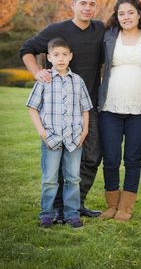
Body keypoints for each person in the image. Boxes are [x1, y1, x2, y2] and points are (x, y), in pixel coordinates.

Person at [20, 0, 104, 219]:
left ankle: (75, 204)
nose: (87, 8)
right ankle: (56, 208)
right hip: (59, 111)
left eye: (92, 4)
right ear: (73, 5)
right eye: (83, 3)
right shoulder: (57, 30)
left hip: (89, 106)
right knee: (56, 155)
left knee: (92, 156)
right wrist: (37, 72)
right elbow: (27, 49)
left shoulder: (100, 30)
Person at [98, 0, 141, 221]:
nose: (126, 17)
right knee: (111, 158)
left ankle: (125, 208)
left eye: (130, 12)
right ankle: (112, 205)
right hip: (110, 107)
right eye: (121, 13)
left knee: (133, 158)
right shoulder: (109, 36)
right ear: (116, 15)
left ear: (139, 14)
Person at [27, 38, 93, 228]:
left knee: (73, 178)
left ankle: (72, 214)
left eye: (65, 54)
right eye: (56, 55)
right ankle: (47, 214)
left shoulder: (78, 81)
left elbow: (85, 109)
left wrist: (85, 131)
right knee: (50, 179)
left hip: (74, 138)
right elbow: (32, 108)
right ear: (49, 57)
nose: (61, 58)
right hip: (51, 138)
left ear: (70, 56)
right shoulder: (44, 80)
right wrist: (42, 133)